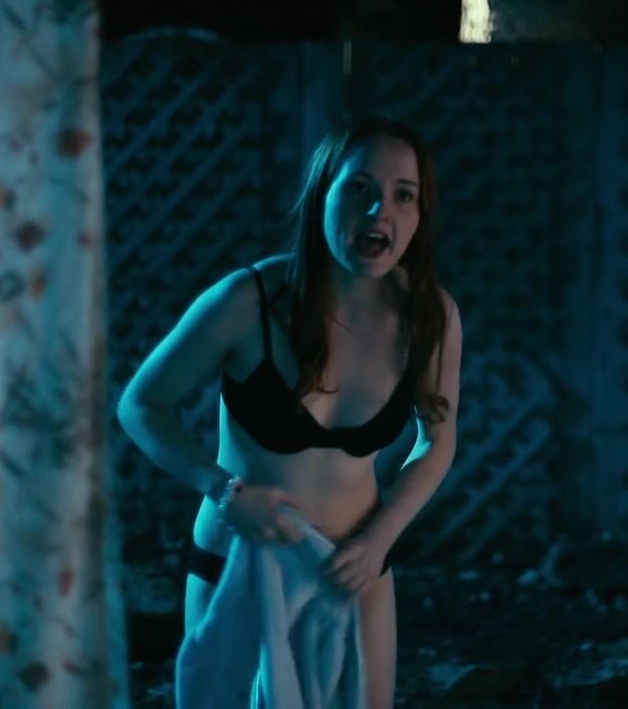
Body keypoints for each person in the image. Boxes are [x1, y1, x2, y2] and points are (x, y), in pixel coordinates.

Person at [116, 115, 462, 708]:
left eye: (403, 195)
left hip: (352, 567)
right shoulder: (247, 300)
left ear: (419, 215)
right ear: (322, 194)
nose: (379, 210)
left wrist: (379, 540)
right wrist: (224, 490)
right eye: (359, 187)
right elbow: (141, 405)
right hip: (239, 562)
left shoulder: (429, 316)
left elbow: (438, 439)